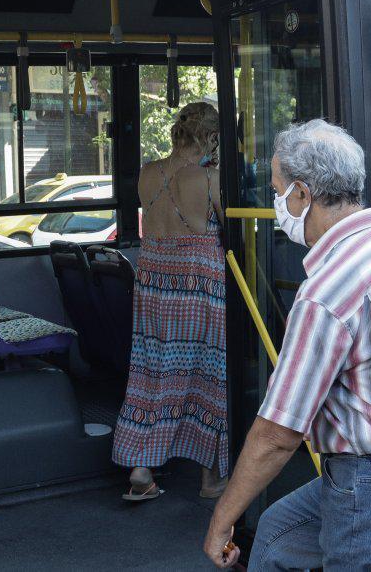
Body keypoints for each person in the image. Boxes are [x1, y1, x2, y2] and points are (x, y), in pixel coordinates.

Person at [202, 119, 371, 570]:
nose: (275, 203)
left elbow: (277, 435)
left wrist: (221, 520)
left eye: (276, 191)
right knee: (276, 538)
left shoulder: (326, 292)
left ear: (302, 194)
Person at [114, 102, 228, 501]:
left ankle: (141, 468)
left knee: (152, 372)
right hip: (198, 284)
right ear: (211, 137)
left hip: (153, 282)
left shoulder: (148, 172)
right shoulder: (210, 176)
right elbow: (230, 225)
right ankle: (211, 477)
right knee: (208, 374)